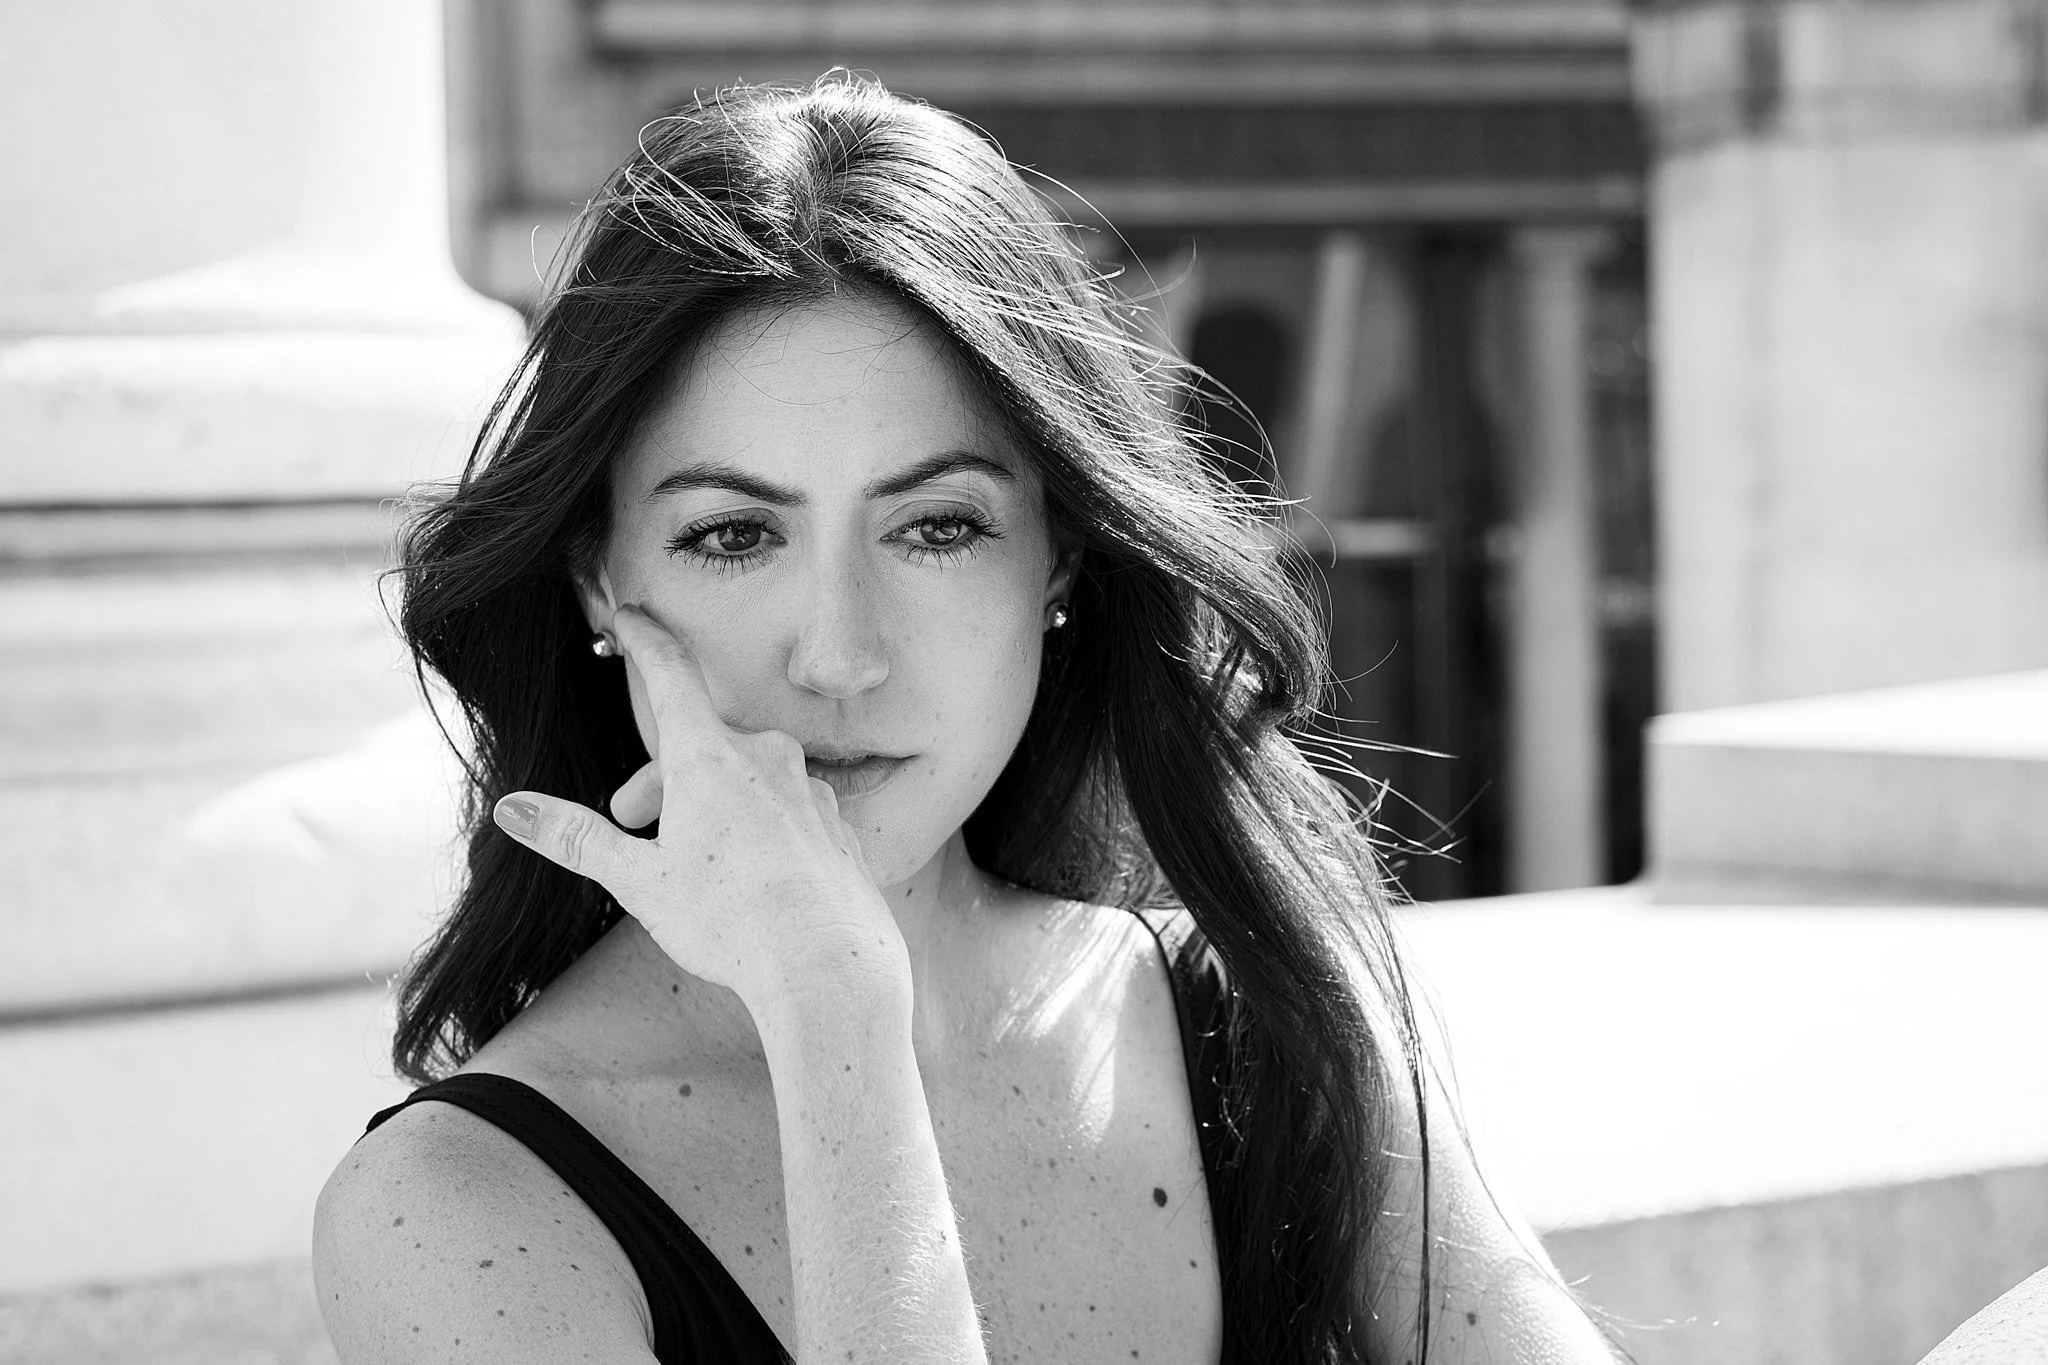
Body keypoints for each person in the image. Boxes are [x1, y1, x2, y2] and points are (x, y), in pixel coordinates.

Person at [313, 74, 1618, 1364]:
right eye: (732, 534)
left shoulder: (1271, 1015)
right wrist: (834, 1025)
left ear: (1060, 559)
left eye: (937, 527)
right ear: (603, 581)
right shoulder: (457, 1221)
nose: (839, 656)